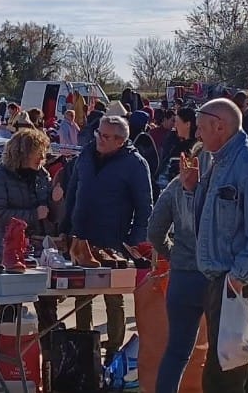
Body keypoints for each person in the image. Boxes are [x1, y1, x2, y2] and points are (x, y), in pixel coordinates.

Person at [185, 98, 248, 393]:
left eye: (202, 128)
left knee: (222, 376)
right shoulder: (219, 161)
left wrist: (237, 279)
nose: (197, 136)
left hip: (240, 283)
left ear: (221, 126)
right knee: (237, 368)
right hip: (223, 281)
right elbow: (211, 224)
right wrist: (193, 190)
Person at [62, 115, 153, 364]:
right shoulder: (87, 155)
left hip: (114, 240)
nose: (100, 139)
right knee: (82, 294)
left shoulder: (135, 163)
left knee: (114, 297)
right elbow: (73, 190)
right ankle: (84, 345)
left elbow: (145, 207)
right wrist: (65, 226)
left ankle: (113, 350)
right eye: (99, 134)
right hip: (81, 236)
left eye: (107, 137)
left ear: (121, 141)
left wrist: (135, 241)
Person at [148, 142, 208, 393]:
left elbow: (154, 231)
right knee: (225, 350)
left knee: (177, 351)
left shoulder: (174, 187)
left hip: (183, 276)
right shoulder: (220, 188)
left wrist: (173, 254)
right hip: (213, 276)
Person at [0, 127, 58, 332]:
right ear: (23, 152)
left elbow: (48, 208)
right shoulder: (0, 176)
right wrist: (35, 214)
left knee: (47, 307)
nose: (43, 157)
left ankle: (50, 357)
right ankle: (4, 354)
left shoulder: (42, 175)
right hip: (7, 250)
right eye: (38, 151)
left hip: (37, 249)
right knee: (9, 307)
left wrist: (57, 200)